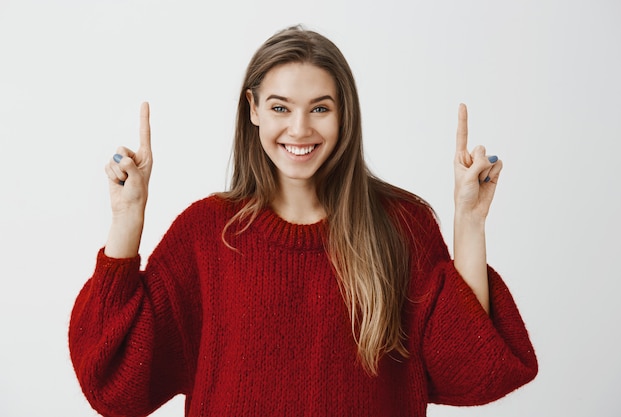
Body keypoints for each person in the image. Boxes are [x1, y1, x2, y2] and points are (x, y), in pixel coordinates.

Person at [69, 25, 537, 417]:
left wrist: (469, 220)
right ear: (252, 109)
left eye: (319, 108)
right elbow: (112, 382)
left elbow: (474, 367)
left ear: (343, 114)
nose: (299, 129)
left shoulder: (400, 225)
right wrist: (126, 219)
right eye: (279, 107)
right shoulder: (208, 233)